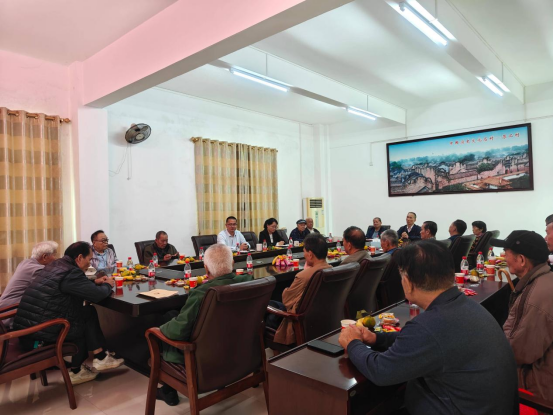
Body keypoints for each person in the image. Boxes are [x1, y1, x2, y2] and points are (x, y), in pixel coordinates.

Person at [339, 240, 518, 415]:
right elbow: (427, 341)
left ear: (407, 282)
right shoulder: (465, 305)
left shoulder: (429, 326)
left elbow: (381, 371)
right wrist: (377, 338)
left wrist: (353, 343)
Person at [13, 242, 124, 385]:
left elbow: (71, 285)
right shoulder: (71, 272)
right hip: (38, 336)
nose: (90, 263)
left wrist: (94, 282)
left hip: (28, 328)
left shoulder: (57, 265)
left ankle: (95, 360)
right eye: (89, 259)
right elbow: (96, 295)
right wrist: (108, 284)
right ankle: (88, 364)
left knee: (85, 312)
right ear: (79, 258)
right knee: (83, 320)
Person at [156, 244, 253, 406]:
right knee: (173, 315)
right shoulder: (248, 281)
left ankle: (168, 390)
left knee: (168, 322)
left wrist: (160, 330)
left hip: (206, 358)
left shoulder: (202, 293)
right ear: (233, 263)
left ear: (206, 268)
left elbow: (177, 331)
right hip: (240, 349)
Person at [492, 231, 553, 401]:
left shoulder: (534, 298)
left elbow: (516, 352)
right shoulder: (546, 278)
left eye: (506, 253)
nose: (504, 257)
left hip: (539, 388)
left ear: (521, 260)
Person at [269, 234, 332, 345]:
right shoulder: (332, 269)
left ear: (310, 254)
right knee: (273, 303)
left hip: (299, 322)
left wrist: (305, 271)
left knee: (268, 305)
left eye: (304, 252)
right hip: (325, 319)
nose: (304, 255)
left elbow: (286, 301)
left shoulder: (303, 276)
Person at [0, 241, 58, 328]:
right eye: (54, 255)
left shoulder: (25, 262)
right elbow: (55, 285)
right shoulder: (37, 269)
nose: (56, 259)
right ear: (45, 257)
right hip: (10, 315)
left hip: (5, 309)